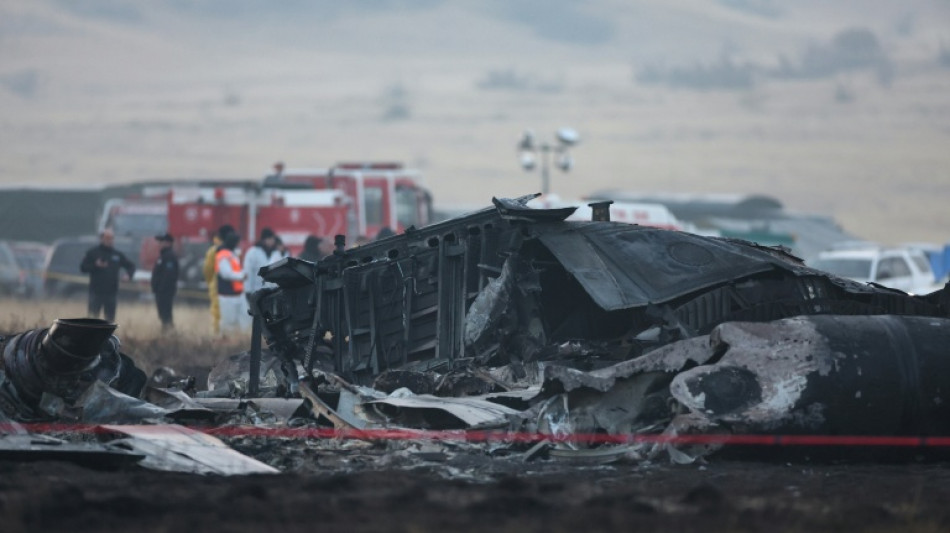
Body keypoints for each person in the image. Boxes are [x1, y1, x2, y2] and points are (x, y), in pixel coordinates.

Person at [79, 228, 136, 323]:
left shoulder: (117, 255)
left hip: (111, 293)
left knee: (110, 320)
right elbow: (83, 268)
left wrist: (128, 275)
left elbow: (131, 266)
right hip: (96, 292)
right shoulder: (92, 253)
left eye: (112, 238)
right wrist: (95, 265)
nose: (110, 240)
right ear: (102, 238)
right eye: (108, 238)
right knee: (92, 319)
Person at [203, 225, 234, 335]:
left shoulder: (215, 250)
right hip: (219, 287)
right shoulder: (218, 250)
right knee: (218, 314)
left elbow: (207, 271)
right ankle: (218, 337)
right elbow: (208, 270)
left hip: (220, 287)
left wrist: (211, 282)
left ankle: (221, 336)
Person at [215, 232, 246, 336]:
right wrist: (242, 276)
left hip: (236, 293)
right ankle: (225, 341)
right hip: (227, 294)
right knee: (228, 322)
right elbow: (226, 274)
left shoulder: (231, 254)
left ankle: (234, 340)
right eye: (238, 242)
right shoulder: (223, 255)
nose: (239, 245)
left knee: (238, 321)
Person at [242, 227, 283, 297]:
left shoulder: (276, 253)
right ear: (264, 240)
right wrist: (248, 290)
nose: (272, 241)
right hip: (256, 291)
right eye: (270, 239)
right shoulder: (253, 252)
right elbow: (248, 272)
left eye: (273, 239)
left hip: (273, 292)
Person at [151, 233, 179, 330]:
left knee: (166, 313)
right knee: (162, 314)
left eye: (161, 242)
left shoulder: (169, 256)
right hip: (161, 292)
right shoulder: (163, 256)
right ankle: (166, 330)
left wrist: (161, 288)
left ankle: (169, 331)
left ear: (168, 243)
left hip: (165, 292)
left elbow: (169, 276)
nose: (159, 244)